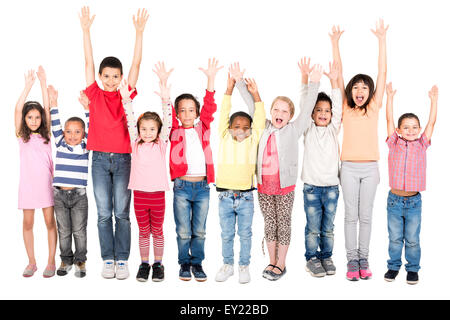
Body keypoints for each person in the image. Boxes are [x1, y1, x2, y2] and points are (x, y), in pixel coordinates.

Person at [79, 6, 149, 280]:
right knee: (103, 213)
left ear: (121, 79)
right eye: (106, 76)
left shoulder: (125, 95)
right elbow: (87, 62)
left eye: (115, 76)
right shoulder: (94, 92)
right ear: (100, 77)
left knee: (121, 212)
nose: (110, 80)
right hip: (98, 159)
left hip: (123, 159)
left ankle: (122, 260)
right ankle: (107, 259)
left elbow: (136, 65)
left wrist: (139, 33)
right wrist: (85, 31)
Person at [238, 63, 323, 281]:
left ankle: (281, 263)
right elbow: (252, 105)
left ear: (290, 116)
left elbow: (307, 109)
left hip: (285, 186)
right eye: (276, 109)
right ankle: (271, 261)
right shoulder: (263, 126)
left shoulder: (294, 129)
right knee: (270, 223)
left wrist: (313, 82)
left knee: (283, 222)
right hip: (264, 186)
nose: (279, 113)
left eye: (284, 111)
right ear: (270, 112)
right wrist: (239, 82)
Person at [330, 20, 389, 281]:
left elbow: (383, 71)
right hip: (349, 169)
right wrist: (334, 43)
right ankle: (351, 260)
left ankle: (364, 258)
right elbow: (339, 73)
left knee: (366, 216)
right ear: (350, 92)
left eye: (364, 87)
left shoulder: (374, 107)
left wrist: (382, 40)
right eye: (356, 87)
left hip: (371, 168)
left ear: (370, 92)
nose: (360, 90)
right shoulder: (345, 107)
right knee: (350, 216)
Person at [155, 58, 221, 282]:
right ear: (177, 114)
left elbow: (211, 106)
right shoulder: (173, 130)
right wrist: (164, 86)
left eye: (191, 110)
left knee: (199, 231)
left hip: (202, 186)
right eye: (182, 111)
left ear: (197, 112)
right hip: (182, 186)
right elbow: (166, 112)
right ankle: (184, 263)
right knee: (183, 230)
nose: (186, 114)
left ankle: (198, 263)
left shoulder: (203, 127)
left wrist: (210, 78)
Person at [214, 63, 265, 284]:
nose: (241, 129)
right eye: (237, 125)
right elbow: (224, 112)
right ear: (230, 127)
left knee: (245, 235)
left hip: (245, 196)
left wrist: (256, 95)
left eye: (245, 126)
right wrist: (229, 88)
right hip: (224, 196)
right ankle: (227, 265)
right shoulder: (225, 136)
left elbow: (260, 119)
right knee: (226, 235)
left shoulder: (254, 138)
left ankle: (244, 266)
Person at [120, 65, 172, 282]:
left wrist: (166, 98)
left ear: (158, 131)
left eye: (152, 129)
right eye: (144, 129)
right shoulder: (135, 143)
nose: (148, 133)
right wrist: (126, 100)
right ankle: (144, 264)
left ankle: (158, 264)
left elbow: (168, 121)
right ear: (139, 131)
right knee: (143, 231)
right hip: (140, 194)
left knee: (157, 231)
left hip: (157, 194)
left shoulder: (161, 143)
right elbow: (130, 118)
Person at [383, 83, 438, 285]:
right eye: (406, 127)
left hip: (414, 202)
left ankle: (413, 269)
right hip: (394, 201)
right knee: (395, 238)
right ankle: (393, 266)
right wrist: (390, 98)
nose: (411, 130)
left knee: (413, 239)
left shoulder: (422, 144)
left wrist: (434, 101)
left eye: (415, 127)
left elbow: (432, 124)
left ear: (419, 129)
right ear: (398, 130)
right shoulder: (394, 143)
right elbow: (388, 118)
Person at [299, 59, 343, 277]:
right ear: (313, 114)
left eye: (327, 110)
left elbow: (338, 104)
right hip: (312, 188)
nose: (323, 113)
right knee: (313, 227)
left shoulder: (334, 129)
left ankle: (326, 256)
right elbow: (303, 104)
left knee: (328, 227)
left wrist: (334, 81)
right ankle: (311, 258)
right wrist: (305, 79)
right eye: (318, 110)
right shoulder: (308, 129)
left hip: (332, 188)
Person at [15, 67, 57, 278]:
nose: (34, 120)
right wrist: (27, 86)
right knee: (28, 223)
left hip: (46, 185)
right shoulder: (22, 137)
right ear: (24, 119)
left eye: (37, 117)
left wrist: (42, 83)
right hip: (28, 187)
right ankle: (32, 262)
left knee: (50, 222)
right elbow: (17, 110)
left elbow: (47, 108)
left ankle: (51, 260)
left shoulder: (46, 135)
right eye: (30, 117)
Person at [48, 85, 90, 278]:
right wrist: (54, 103)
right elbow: (55, 123)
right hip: (59, 195)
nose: (72, 136)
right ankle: (66, 259)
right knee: (64, 230)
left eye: (77, 132)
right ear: (63, 133)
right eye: (69, 132)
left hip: (79, 196)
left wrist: (87, 109)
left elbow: (93, 128)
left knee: (79, 231)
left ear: (83, 134)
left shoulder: (86, 146)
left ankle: (80, 260)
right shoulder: (60, 143)